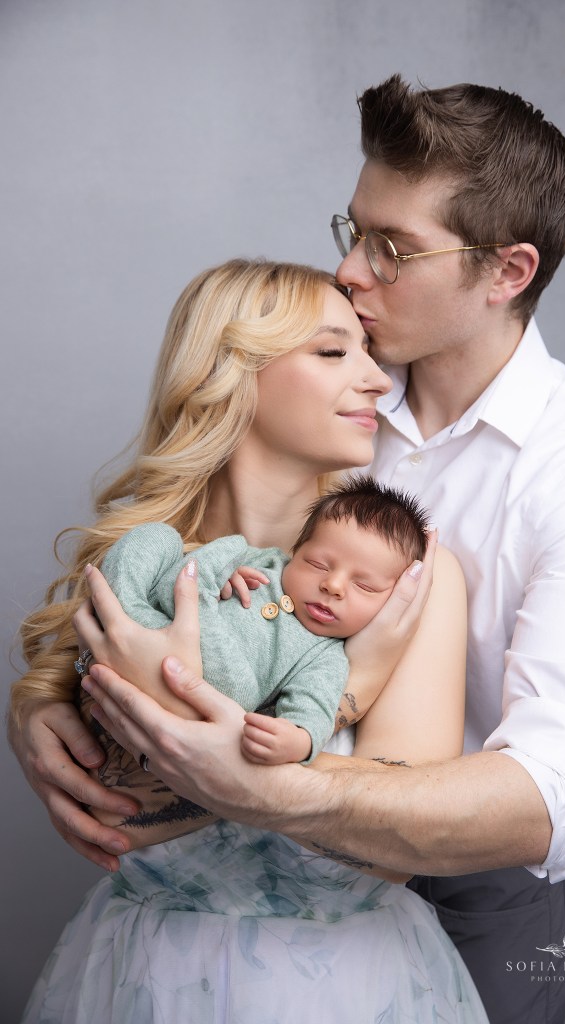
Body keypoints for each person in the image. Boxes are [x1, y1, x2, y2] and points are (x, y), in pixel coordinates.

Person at [11, 76, 565, 1024]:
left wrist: (249, 748)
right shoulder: (338, 391)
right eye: (352, 231)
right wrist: (52, 708)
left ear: (506, 273)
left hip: (468, 896)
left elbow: (559, 790)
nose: (353, 271)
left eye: (392, 248)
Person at [15, 258, 489, 1023]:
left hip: (346, 988)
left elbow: (387, 854)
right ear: (231, 374)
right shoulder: (143, 567)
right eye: (333, 352)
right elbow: (118, 822)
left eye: (368, 353)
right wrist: (37, 707)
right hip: (144, 982)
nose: (378, 380)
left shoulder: (403, 583)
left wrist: (339, 688)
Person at [80, 478, 429, 847]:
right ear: (295, 551)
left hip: (217, 685)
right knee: (156, 538)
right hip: (163, 619)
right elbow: (197, 569)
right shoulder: (263, 563)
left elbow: (313, 707)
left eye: (365, 587)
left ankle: (133, 627)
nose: (334, 585)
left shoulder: (324, 655)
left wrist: (298, 740)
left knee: (241, 693)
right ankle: (128, 614)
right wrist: (225, 574)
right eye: (317, 563)